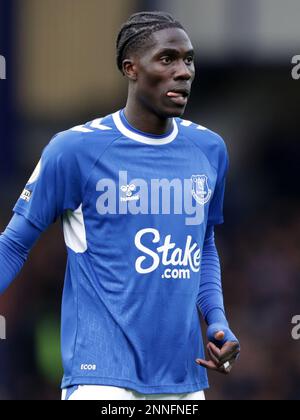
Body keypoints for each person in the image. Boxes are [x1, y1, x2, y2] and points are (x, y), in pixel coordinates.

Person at [0, 11, 240, 400]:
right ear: (131, 68)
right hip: (100, 377)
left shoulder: (210, 150)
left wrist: (217, 319)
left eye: (189, 59)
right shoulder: (75, 150)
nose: (184, 72)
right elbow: (13, 244)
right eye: (167, 59)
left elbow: (204, 244)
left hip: (182, 378)